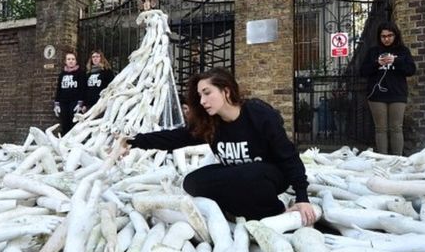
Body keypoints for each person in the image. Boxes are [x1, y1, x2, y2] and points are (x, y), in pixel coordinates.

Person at [118, 67, 316, 224]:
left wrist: (302, 197)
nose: (202, 101)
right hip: (237, 176)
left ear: (226, 91)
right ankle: (238, 210)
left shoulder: (259, 115)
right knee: (193, 181)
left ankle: (277, 211)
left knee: (250, 174)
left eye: (207, 93)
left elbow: (288, 156)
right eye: (200, 96)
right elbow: (174, 138)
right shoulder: (210, 124)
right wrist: (134, 141)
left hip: (268, 176)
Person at [359, 22, 417, 155]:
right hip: (377, 95)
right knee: (380, 128)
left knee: (396, 127)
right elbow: (362, 71)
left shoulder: (403, 51)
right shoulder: (373, 52)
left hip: (397, 94)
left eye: (389, 35)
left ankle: (397, 159)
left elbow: (411, 70)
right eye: (383, 36)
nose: (386, 39)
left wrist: (395, 61)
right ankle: (383, 160)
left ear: (395, 35)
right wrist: (376, 63)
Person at [53, 52, 86, 135]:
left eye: (73, 59)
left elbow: (83, 88)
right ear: (65, 61)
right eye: (68, 59)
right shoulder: (62, 74)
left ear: (76, 61)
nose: (71, 61)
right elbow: (59, 89)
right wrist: (56, 104)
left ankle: (73, 142)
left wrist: (81, 103)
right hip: (63, 102)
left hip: (75, 102)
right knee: (64, 122)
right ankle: (64, 142)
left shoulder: (80, 73)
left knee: (74, 122)